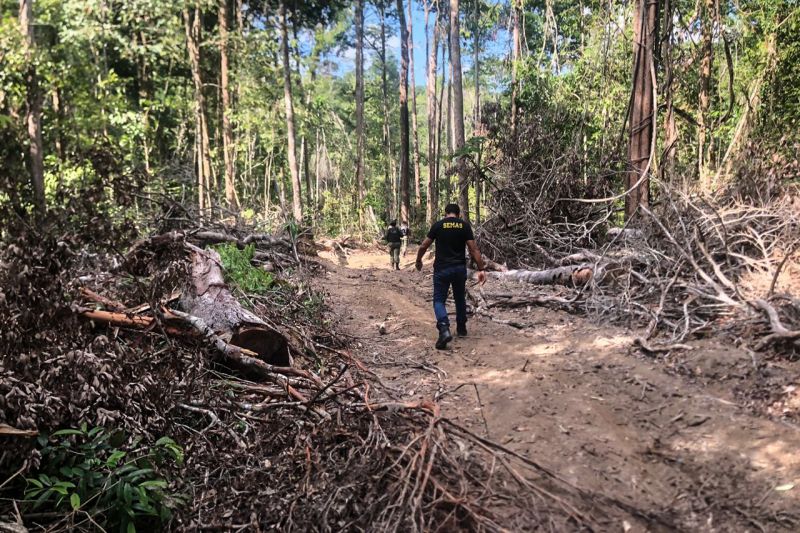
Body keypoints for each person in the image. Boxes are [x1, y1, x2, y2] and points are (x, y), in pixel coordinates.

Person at [415, 203, 487, 349]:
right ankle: (461, 328)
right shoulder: (464, 226)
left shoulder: (438, 225)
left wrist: (418, 260)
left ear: (445, 213)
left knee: (439, 300)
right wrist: (481, 269)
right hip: (459, 269)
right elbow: (473, 249)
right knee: (459, 297)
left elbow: (424, 246)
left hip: (442, 269)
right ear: (458, 214)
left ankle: (444, 328)